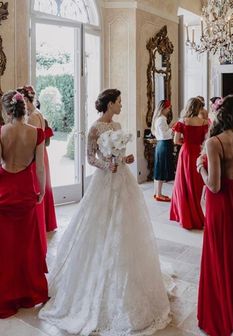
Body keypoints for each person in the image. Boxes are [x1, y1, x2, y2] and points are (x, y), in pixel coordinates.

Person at [39, 89, 173, 335]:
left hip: (123, 179)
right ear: (110, 104)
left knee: (126, 227)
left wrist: (125, 159)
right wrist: (106, 163)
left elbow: (119, 155)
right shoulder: (94, 129)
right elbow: (91, 158)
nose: (121, 105)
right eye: (119, 101)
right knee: (100, 226)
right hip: (104, 182)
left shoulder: (118, 123)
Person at [0, 90, 48, 318]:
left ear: (6, 110)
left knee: (6, 246)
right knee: (26, 244)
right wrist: (41, 192)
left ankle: (7, 292)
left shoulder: (1, 132)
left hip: (5, 193)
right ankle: (29, 290)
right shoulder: (36, 133)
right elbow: (40, 168)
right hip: (26, 191)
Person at [197, 95, 233, 336]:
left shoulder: (215, 142)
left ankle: (222, 315)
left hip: (221, 205)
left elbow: (213, 185)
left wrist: (200, 167)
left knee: (219, 255)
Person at [17, 85, 57, 233]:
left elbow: (32, 140)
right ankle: (45, 221)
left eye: (22, 101)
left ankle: (41, 222)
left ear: (27, 100)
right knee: (42, 185)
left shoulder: (33, 116)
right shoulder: (37, 112)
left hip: (36, 155)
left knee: (37, 186)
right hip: (41, 153)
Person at [170, 97, 208, 230]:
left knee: (183, 183)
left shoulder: (182, 122)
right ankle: (196, 214)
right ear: (198, 108)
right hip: (197, 152)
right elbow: (205, 141)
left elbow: (176, 140)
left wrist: (186, 143)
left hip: (186, 153)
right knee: (196, 184)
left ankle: (184, 215)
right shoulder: (204, 122)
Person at [151, 99, 175, 202]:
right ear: (164, 108)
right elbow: (165, 134)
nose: (169, 110)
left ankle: (157, 193)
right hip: (164, 144)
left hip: (161, 145)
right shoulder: (161, 119)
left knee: (158, 169)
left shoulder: (158, 119)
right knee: (160, 170)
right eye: (168, 108)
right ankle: (159, 194)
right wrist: (173, 129)